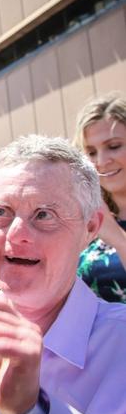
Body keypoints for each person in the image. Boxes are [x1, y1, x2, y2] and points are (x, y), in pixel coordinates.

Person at [0, 135, 126, 414]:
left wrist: (30, 409)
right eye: (1, 212)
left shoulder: (120, 346)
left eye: (44, 215)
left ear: (90, 228)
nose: (16, 234)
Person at [75, 93, 126, 303]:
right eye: (91, 152)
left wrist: (114, 235)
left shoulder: (107, 227)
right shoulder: (89, 219)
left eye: (114, 146)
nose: (102, 161)